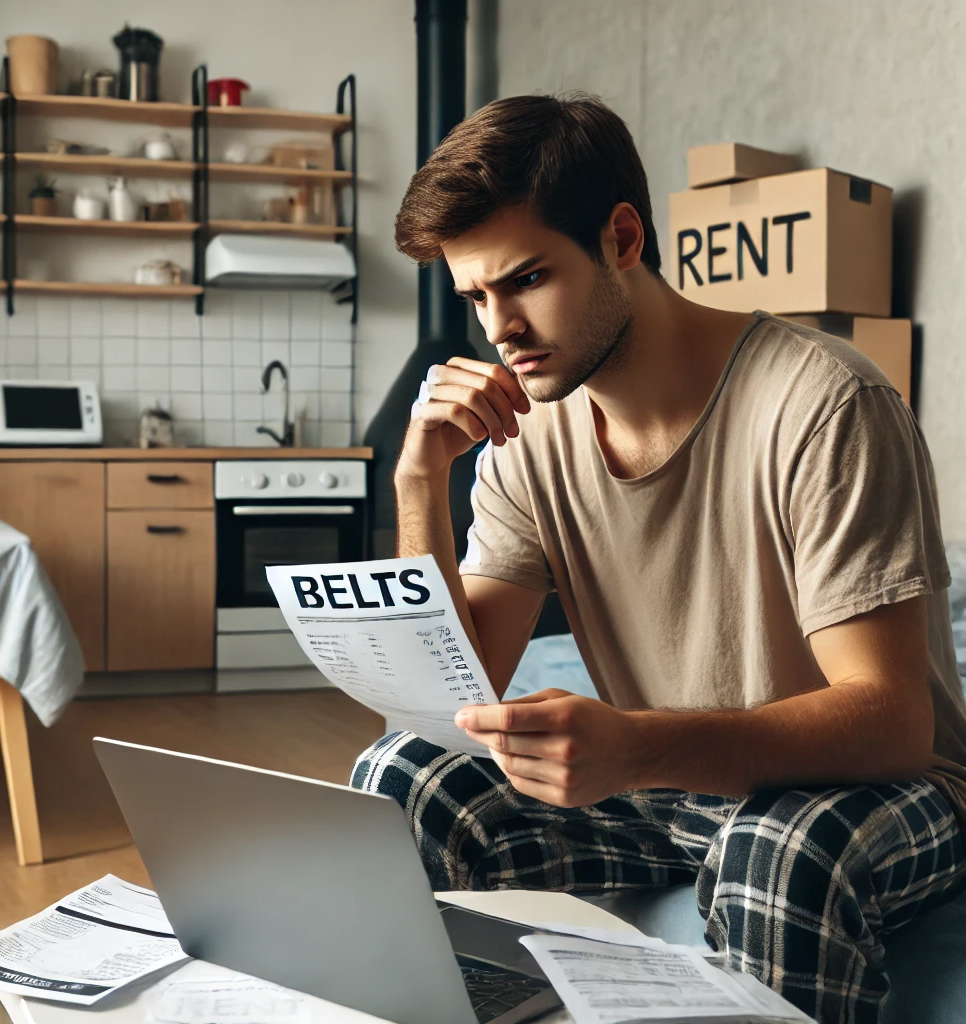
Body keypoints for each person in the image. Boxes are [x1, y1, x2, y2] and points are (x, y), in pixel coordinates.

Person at [350, 94, 966, 1024]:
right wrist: (417, 483)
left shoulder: (824, 403)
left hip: (871, 791)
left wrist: (636, 743)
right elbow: (453, 691)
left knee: (776, 855)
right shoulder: (528, 436)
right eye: (477, 297)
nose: (499, 330)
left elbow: (890, 721)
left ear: (624, 236)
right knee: (398, 780)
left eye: (525, 280)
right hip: (658, 791)